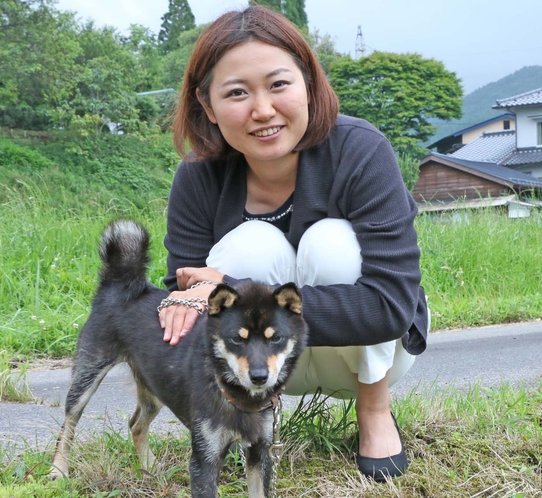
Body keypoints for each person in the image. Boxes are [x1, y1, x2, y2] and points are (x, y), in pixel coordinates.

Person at [157, 5, 428, 482]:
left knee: (330, 241)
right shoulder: (198, 176)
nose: (262, 110)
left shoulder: (361, 151)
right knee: (252, 243)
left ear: (307, 81)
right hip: (259, 365)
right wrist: (183, 300)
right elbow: (186, 296)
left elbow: (390, 306)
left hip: (365, 353)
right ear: (207, 104)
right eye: (237, 93)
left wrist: (233, 286)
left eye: (278, 84)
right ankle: (252, 413)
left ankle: (374, 408)